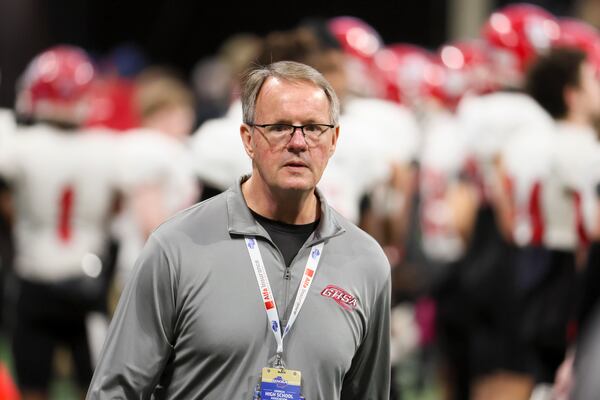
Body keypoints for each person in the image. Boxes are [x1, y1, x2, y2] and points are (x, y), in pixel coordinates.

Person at [87, 61, 392, 399]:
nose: (298, 142)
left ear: (333, 140)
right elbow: (115, 391)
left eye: (313, 128)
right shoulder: (176, 246)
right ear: (248, 139)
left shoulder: (366, 262)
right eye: (279, 127)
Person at [0, 45, 123, 400]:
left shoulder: (18, 147)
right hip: (87, 282)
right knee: (97, 389)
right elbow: (117, 208)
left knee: (33, 388)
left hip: (34, 278)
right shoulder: (109, 148)